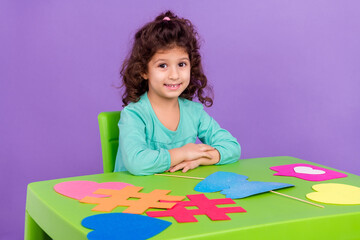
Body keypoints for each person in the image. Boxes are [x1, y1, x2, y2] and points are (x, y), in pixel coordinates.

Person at [114, 10, 241, 176]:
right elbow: (137, 162)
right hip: (134, 197)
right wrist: (183, 153)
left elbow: (232, 147)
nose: (174, 75)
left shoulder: (194, 113)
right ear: (144, 71)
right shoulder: (134, 115)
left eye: (181, 64)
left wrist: (202, 158)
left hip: (174, 195)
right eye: (162, 65)